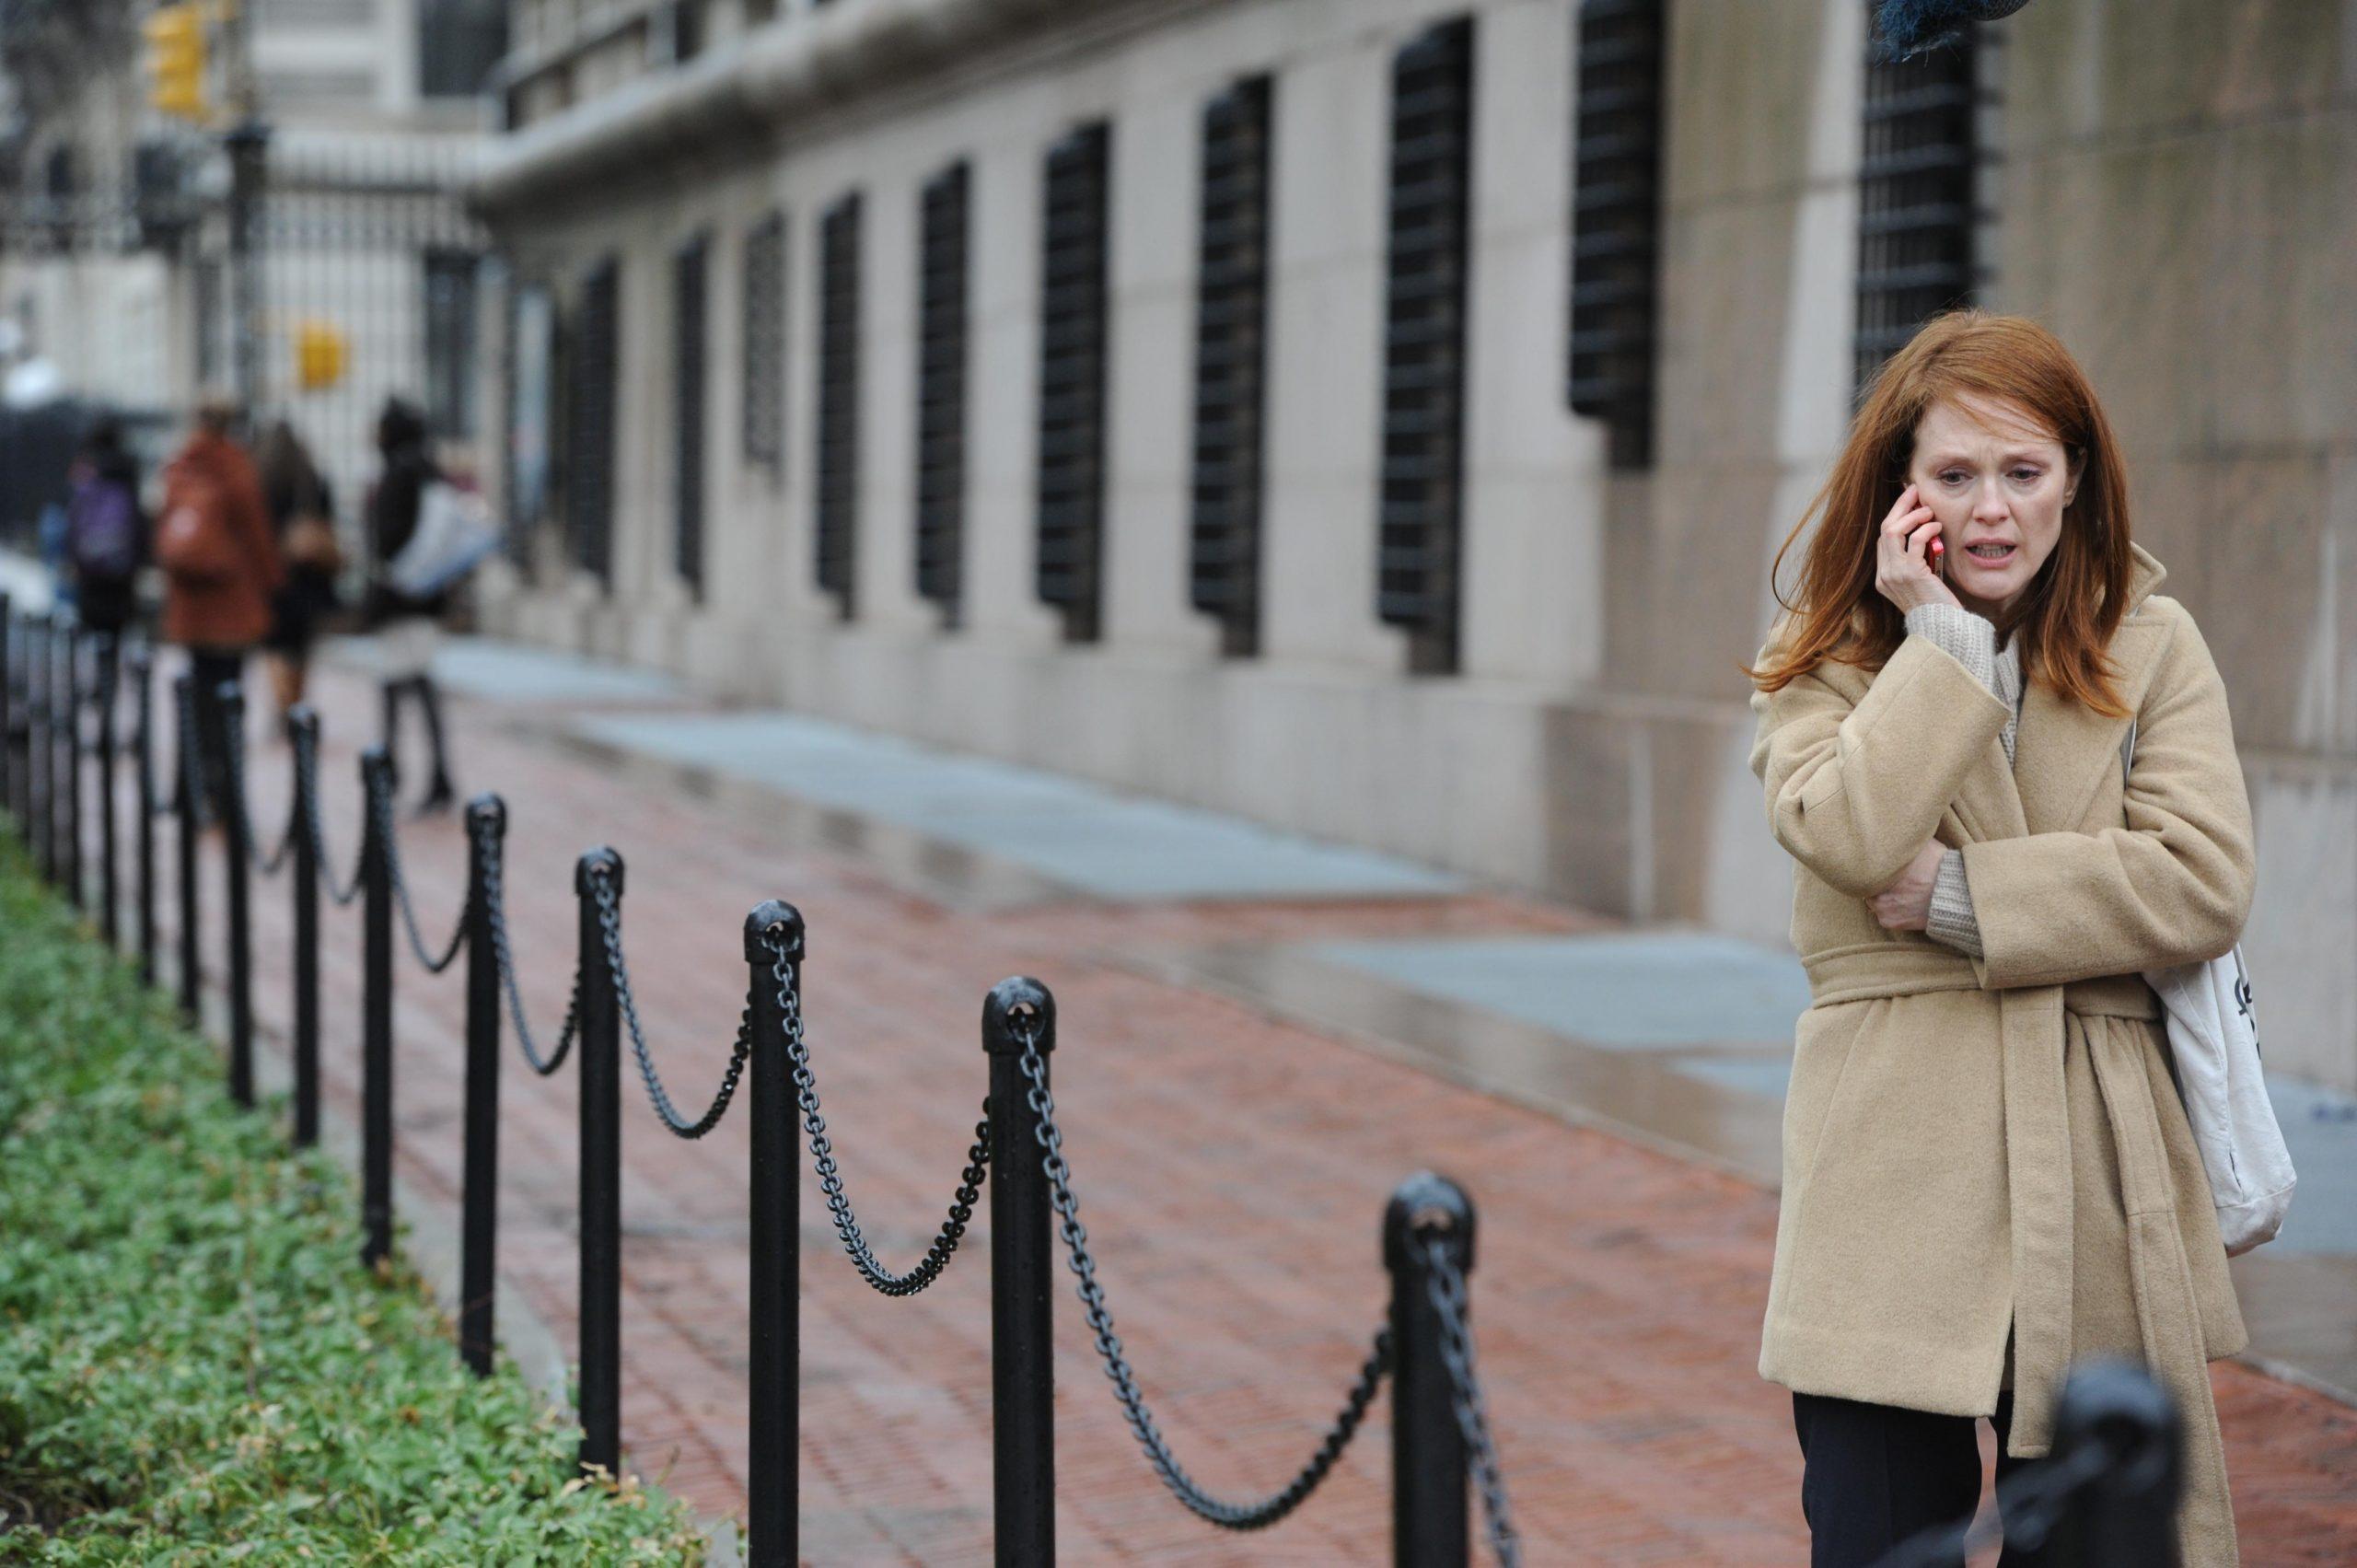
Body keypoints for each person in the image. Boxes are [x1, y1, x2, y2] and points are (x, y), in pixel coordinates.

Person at [1744, 310, 2253, 1567]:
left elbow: (2201, 877)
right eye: (1954, 473)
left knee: (2099, 1537)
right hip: (1890, 1165)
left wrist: (1964, 897)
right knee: (1874, 1538)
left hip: (2096, 1158)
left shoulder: (2151, 640)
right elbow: (1846, 830)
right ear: (1900, 488)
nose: (1990, 510)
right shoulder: (1828, 650)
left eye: (2023, 471)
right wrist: (1945, 648)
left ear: (2075, 478)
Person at [157, 395, 283, 819]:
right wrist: (273, 586)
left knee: (194, 696)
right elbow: (258, 536)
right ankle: (226, 791)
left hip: (192, 607)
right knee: (229, 698)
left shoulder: (180, 467)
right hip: (232, 605)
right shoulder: (236, 468)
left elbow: (167, 535)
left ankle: (187, 789)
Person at [366, 396, 455, 814]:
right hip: (423, 596)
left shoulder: (401, 472)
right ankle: (409, 773)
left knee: (405, 683)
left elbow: (388, 538)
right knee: (411, 682)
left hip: (402, 597)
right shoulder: (427, 469)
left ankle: (405, 774)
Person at [253, 419, 341, 729]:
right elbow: (328, 522)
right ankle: (296, 703)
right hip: (308, 576)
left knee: (275, 645)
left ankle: (283, 705)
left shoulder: (261, 479)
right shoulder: (313, 479)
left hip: (273, 574)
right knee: (301, 646)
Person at [64, 417, 149, 645]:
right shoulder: (127, 467)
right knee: (117, 627)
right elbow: (137, 516)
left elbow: (75, 516)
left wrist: (72, 555)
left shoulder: (85, 467)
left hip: (90, 564)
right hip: (121, 565)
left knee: (91, 629)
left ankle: (97, 661)